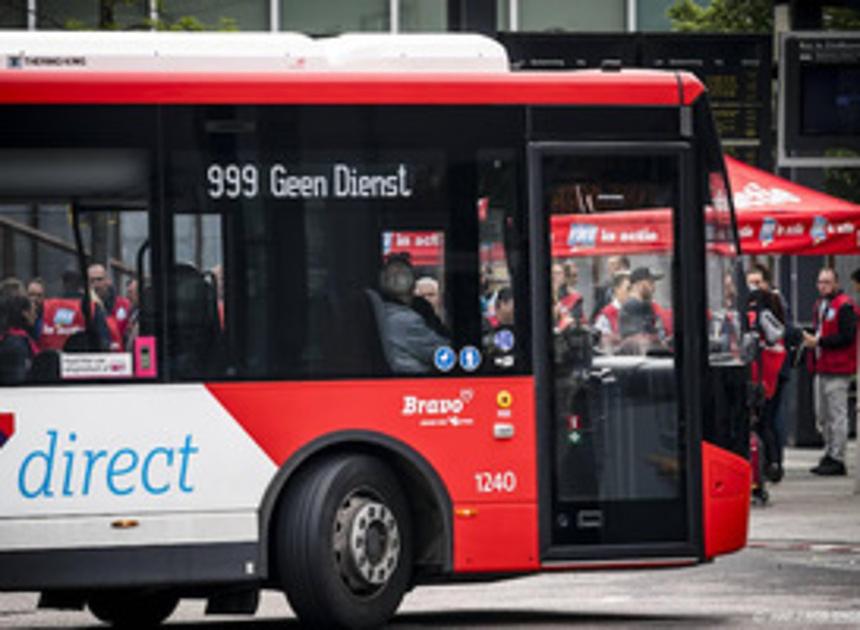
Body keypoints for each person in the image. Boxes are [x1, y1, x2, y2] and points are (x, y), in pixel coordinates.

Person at [804, 267, 857, 476]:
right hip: (821, 365)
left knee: (837, 415)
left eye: (827, 282)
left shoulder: (845, 306)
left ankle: (838, 456)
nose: (822, 286)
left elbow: (847, 336)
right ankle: (828, 450)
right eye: (820, 282)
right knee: (822, 415)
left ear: (836, 283)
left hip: (838, 368)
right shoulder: (820, 305)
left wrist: (819, 341)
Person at [744, 276, 788, 483]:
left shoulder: (760, 315)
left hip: (763, 375)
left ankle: (772, 463)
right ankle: (771, 463)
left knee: (764, 422)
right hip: (768, 375)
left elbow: (773, 336)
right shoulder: (769, 314)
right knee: (765, 422)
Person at [376, 255, 449, 374]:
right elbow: (441, 352)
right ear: (413, 286)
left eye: (432, 294)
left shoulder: (419, 308)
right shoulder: (403, 319)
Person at [618, 267, 668, 354]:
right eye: (650, 283)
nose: (654, 287)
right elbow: (643, 339)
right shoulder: (633, 306)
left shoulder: (644, 305)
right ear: (640, 284)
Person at [88, 263, 132, 348]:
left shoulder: (124, 305)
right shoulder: (84, 308)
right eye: (92, 281)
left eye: (99, 279)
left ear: (108, 280)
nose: (96, 284)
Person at [0, 291, 39, 384]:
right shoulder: (16, 344)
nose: (36, 316)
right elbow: (18, 379)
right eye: (33, 311)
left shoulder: (8, 338)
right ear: (25, 313)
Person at [593, 271, 631, 351]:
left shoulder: (636, 311)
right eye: (628, 289)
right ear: (617, 290)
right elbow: (601, 342)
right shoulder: (606, 314)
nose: (631, 293)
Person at [591, 255, 631, 321]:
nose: (609, 268)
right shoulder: (604, 289)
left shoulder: (635, 284)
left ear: (623, 266)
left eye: (613, 264)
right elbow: (596, 312)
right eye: (609, 265)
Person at [26, 278, 46, 342]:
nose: (34, 299)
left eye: (39, 295)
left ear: (44, 297)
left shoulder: (47, 318)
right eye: (31, 295)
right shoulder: (19, 319)